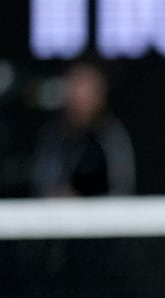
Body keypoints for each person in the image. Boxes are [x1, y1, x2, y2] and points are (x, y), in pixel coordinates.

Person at [30, 60, 135, 198]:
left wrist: (84, 206)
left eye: (86, 90)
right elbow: (39, 181)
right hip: (52, 216)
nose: (78, 97)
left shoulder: (111, 137)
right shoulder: (53, 135)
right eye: (74, 87)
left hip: (100, 216)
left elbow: (122, 189)